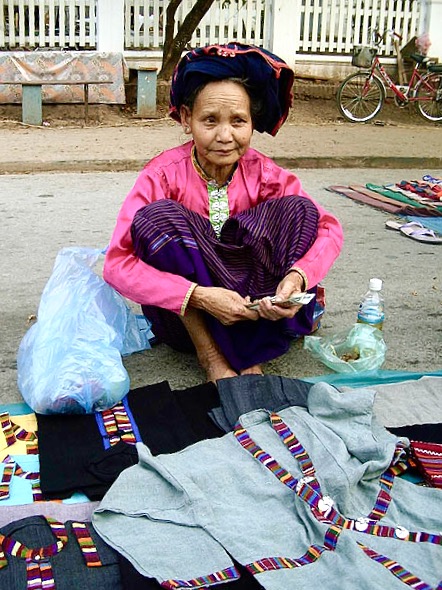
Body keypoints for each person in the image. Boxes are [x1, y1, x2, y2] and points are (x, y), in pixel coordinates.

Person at [103, 43, 343, 383]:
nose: (225, 136)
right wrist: (199, 295)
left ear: (251, 123)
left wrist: (296, 278)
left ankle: (250, 354)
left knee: (298, 210)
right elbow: (116, 265)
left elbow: (329, 229)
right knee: (158, 219)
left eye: (238, 121)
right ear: (187, 119)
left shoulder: (265, 174)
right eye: (210, 120)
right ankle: (212, 356)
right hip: (187, 319)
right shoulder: (161, 175)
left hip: (254, 310)